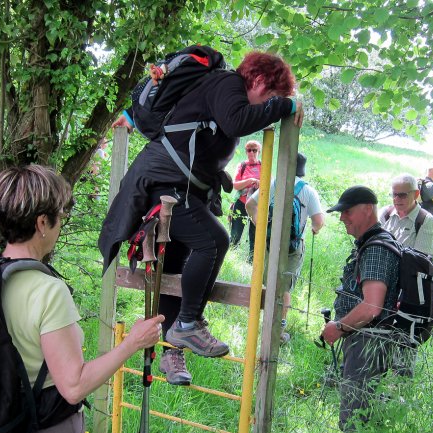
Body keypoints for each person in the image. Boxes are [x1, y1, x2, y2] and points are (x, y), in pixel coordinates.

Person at [99, 50, 303, 385]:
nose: (267, 104)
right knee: (215, 241)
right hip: (165, 186)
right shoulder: (228, 84)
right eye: (270, 96)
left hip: (182, 188)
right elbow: (238, 121)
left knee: (175, 268)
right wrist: (288, 105)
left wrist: (276, 105)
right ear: (261, 80)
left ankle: (172, 348)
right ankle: (188, 324)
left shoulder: (225, 91)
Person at [0, 165, 164, 433]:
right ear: (41, 223)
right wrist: (132, 343)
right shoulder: (47, 291)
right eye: (60, 216)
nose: (62, 223)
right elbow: (73, 385)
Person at [321, 186, 401, 433]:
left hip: (369, 343)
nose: (342, 218)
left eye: (347, 211)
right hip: (366, 341)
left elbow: (372, 306)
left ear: (368, 209)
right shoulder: (373, 244)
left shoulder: (377, 249)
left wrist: (338, 327)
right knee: (362, 408)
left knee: (357, 411)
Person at [246, 153, 324, 342]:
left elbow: (250, 205)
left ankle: (262, 323)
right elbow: (318, 221)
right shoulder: (308, 191)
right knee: (284, 288)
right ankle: (278, 331)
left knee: (268, 282)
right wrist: (314, 229)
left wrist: (261, 226)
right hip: (293, 247)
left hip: (270, 242)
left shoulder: (274, 184)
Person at [379, 174, 433, 256]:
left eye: (402, 195)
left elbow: (422, 259)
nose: (397, 199)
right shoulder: (385, 212)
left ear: (416, 194)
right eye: (394, 194)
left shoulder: (425, 219)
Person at [230, 140, 262, 262]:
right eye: (249, 150)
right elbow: (235, 185)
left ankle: (252, 261)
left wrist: (260, 184)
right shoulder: (242, 165)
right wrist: (250, 181)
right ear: (246, 151)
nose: (252, 152)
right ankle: (232, 257)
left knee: (255, 234)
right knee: (236, 233)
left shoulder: (263, 166)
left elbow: (269, 185)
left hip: (256, 205)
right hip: (241, 203)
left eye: (255, 150)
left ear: (259, 152)